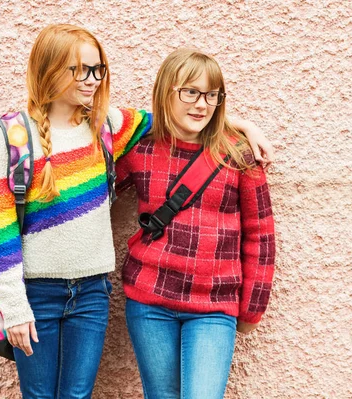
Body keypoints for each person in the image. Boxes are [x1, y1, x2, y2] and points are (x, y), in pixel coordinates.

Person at [0, 25, 273, 399]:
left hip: (94, 292)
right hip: (40, 290)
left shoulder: (105, 125)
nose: (92, 80)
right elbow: (1, 225)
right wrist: (13, 305)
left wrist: (242, 124)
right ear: (49, 68)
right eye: (80, 69)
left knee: (77, 395)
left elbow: (179, 119)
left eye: (97, 69)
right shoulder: (16, 135)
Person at [115, 48, 276, 399]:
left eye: (211, 95)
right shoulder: (141, 150)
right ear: (165, 93)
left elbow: (261, 237)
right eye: (190, 92)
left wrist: (252, 307)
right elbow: (95, 188)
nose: (202, 104)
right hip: (149, 302)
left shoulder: (238, 156)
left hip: (212, 308)